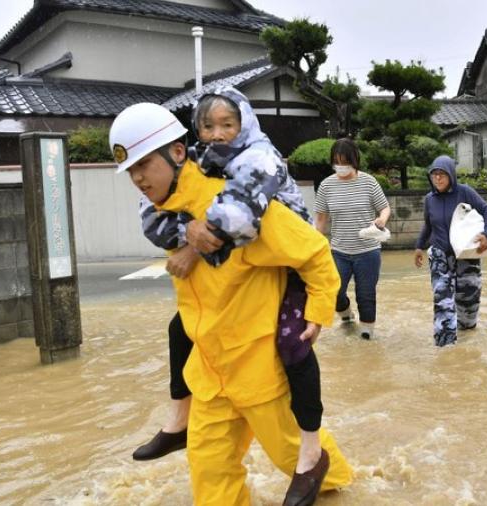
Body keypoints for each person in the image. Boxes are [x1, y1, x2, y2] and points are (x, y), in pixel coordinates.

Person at [111, 102, 353, 505]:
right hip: (209, 376)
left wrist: (316, 312)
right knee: (209, 477)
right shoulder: (167, 218)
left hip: (260, 374)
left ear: (177, 153)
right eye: (130, 170)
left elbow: (313, 250)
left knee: (307, 467)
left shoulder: (240, 208)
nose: (137, 177)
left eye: (144, 164)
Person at [414, 155, 487, 347]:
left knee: (469, 300)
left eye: (442, 174)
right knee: (442, 300)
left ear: (451, 175)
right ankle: (445, 346)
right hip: (439, 254)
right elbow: (428, 225)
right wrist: (419, 246)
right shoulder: (430, 199)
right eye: (434, 175)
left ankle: (467, 337)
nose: (438, 178)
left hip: (466, 254)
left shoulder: (465, 192)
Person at [313, 138, 391, 340]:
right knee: (334, 291)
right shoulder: (326, 186)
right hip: (339, 252)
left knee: (366, 295)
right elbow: (320, 219)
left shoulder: (369, 182)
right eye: (337, 162)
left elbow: (384, 207)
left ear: (355, 160)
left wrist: (382, 219)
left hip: (368, 251)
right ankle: (346, 315)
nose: (341, 166)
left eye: (345, 162)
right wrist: (313, 246)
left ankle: (367, 335)